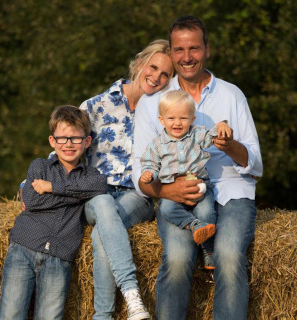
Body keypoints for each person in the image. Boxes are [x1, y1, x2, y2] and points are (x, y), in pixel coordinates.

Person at [132, 16, 263, 319]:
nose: (187, 57)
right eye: (179, 50)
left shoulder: (232, 95)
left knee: (229, 258)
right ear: (172, 51)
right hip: (179, 193)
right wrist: (167, 190)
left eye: (194, 48)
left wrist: (230, 145)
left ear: (207, 49)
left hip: (231, 190)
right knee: (177, 260)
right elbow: (139, 171)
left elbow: (255, 164)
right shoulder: (154, 104)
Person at [79, 39, 174, 320]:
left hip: (137, 195)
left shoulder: (163, 114)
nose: (156, 77)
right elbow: (64, 146)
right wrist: (30, 184)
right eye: (153, 67)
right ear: (140, 63)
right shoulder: (96, 106)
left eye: (165, 74)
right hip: (96, 193)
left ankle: (104, 316)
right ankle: (132, 297)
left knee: (102, 230)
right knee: (104, 209)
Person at [0, 105, 107, 320]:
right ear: (52, 141)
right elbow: (31, 200)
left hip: (59, 258)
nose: (68, 144)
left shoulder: (91, 175)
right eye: (62, 138)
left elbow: (100, 186)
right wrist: (76, 194)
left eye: (75, 139)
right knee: (11, 315)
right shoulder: (39, 166)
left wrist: (51, 188)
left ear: (86, 142)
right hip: (23, 248)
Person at [138, 90, 231, 270]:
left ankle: (209, 250)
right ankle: (195, 225)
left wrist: (222, 125)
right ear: (161, 120)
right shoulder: (157, 144)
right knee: (166, 209)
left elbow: (213, 134)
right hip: (171, 188)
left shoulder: (197, 135)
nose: (177, 123)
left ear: (192, 119)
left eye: (183, 118)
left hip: (199, 184)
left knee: (206, 211)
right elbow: (150, 163)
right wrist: (148, 173)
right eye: (171, 118)